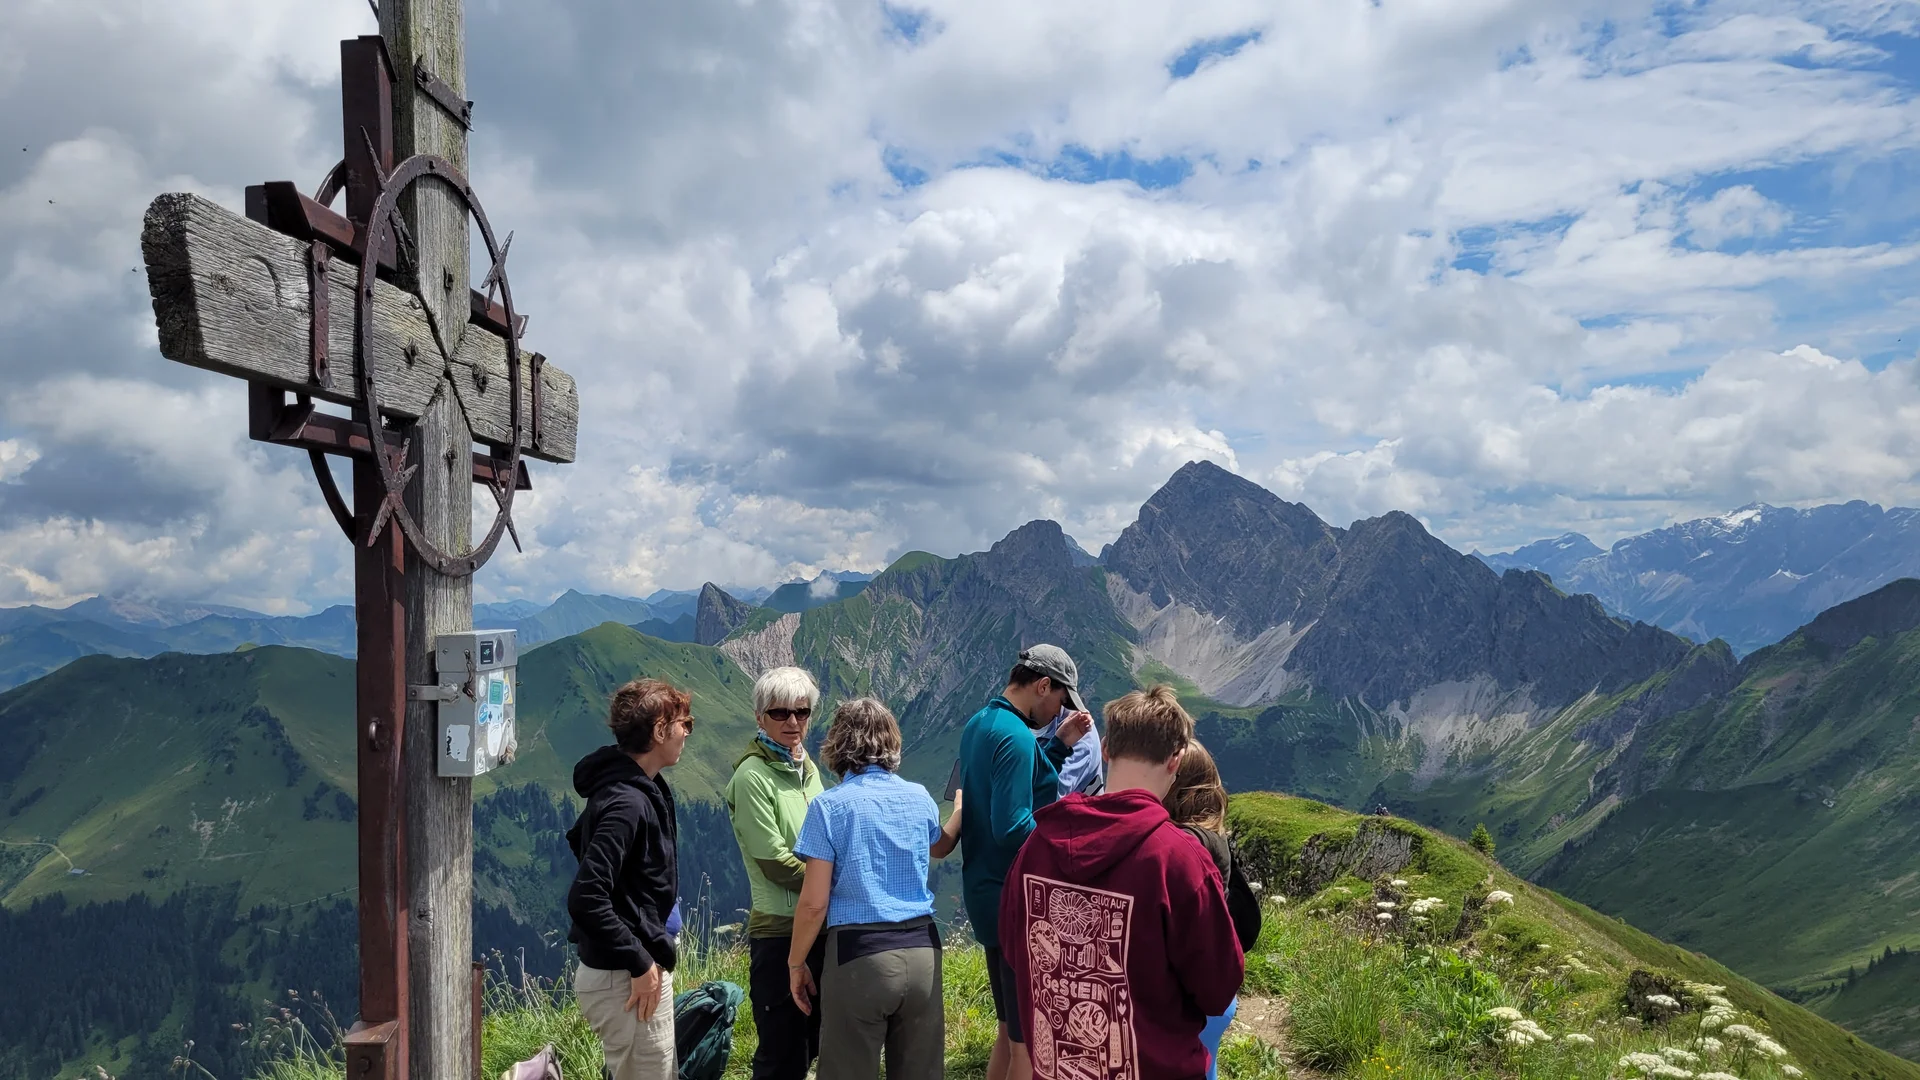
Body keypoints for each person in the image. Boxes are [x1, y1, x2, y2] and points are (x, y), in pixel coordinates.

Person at [1000, 685, 1244, 1080]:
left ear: (1107, 748)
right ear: (1176, 761)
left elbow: (1014, 949)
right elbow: (1218, 989)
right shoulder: (1178, 859)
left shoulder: (1037, 846)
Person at [786, 698, 963, 1080]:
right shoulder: (918, 797)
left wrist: (796, 963)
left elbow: (814, 904)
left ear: (837, 744)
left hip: (859, 956)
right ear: (892, 743)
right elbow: (940, 846)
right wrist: (960, 811)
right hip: (923, 952)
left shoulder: (828, 807)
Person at [958, 644, 1093, 1080]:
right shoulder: (1016, 737)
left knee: (1007, 1028)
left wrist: (1058, 746)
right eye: (1059, 700)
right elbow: (1013, 825)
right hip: (1013, 900)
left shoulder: (982, 723)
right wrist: (1067, 849)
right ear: (1042, 685)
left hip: (984, 891)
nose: (1059, 711)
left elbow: (1015, 783)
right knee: (1028, 1045)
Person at [566, 678, 693, 1080]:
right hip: (624, 977)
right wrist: (638, 961)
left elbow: (578, 839)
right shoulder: (627, 800)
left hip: (628, 970)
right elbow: (586, 896)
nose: (687, 732)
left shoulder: (632, 785)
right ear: (659, 731)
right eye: (683, 723)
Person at [724, 667, 829, 1080]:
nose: (793, 722)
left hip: (820, 925)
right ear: (759, 716)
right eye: (780, 713)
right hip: (780, 932)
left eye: (802, 712)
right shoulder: (751, 777)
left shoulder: (808, 768)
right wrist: (839, 878)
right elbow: (774, 863)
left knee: (811, 1044)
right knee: (781, 1053)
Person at [1162, 741, 1262, 1080]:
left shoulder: (1178, 848)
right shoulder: (1212, 837)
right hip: (1218, 996)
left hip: (1187, 999)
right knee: (1207, 1064)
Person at [1039, 704, 1103, 797]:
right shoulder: (1026, 719)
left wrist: (1058, 746)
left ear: (1043, 689)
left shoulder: (1079, 731)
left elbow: (1049, 797)